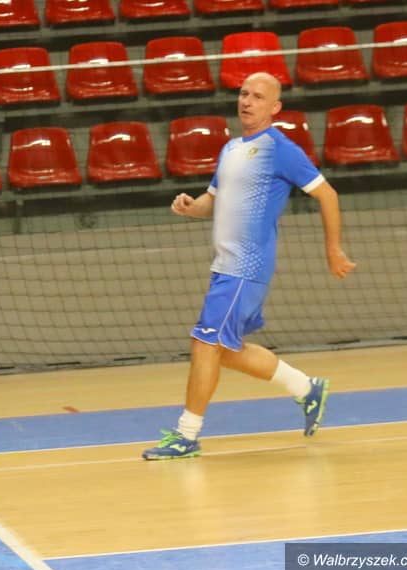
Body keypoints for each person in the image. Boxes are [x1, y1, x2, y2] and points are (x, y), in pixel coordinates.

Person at [142, 72, 356, 460]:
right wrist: (191, 207)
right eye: (244, 94)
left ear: (275, 107)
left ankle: (186, 435)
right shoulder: (230, 149)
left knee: (205, 343)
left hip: (246, 266)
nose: (247, 101)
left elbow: (328, 195)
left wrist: (333, 249)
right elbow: (212, 202)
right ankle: (306, 388)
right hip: (224, 265)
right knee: (225, 349)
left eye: (258, 96)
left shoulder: (280, 149)